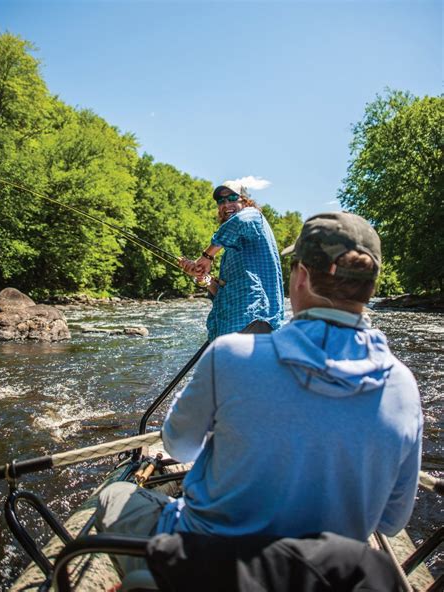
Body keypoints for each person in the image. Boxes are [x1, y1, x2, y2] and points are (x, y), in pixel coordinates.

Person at [97, 212, 422, 569]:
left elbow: (179, 445)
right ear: (371, 287)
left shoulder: (230, 355)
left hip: (209, 566)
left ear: (299, 277)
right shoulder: (403, 385)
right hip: (323, 575)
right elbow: (391, 522)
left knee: (113, 496)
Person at [179, 180, 284, 341]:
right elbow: (222, 291)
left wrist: (207, 256)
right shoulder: (231, 248)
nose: (226, 204)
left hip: (253, 322)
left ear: (246, 201)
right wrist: (202, 277)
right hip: (230, 328)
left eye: (233, 198)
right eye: (221, 201)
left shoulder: (254, 216)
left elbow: (241, 222)